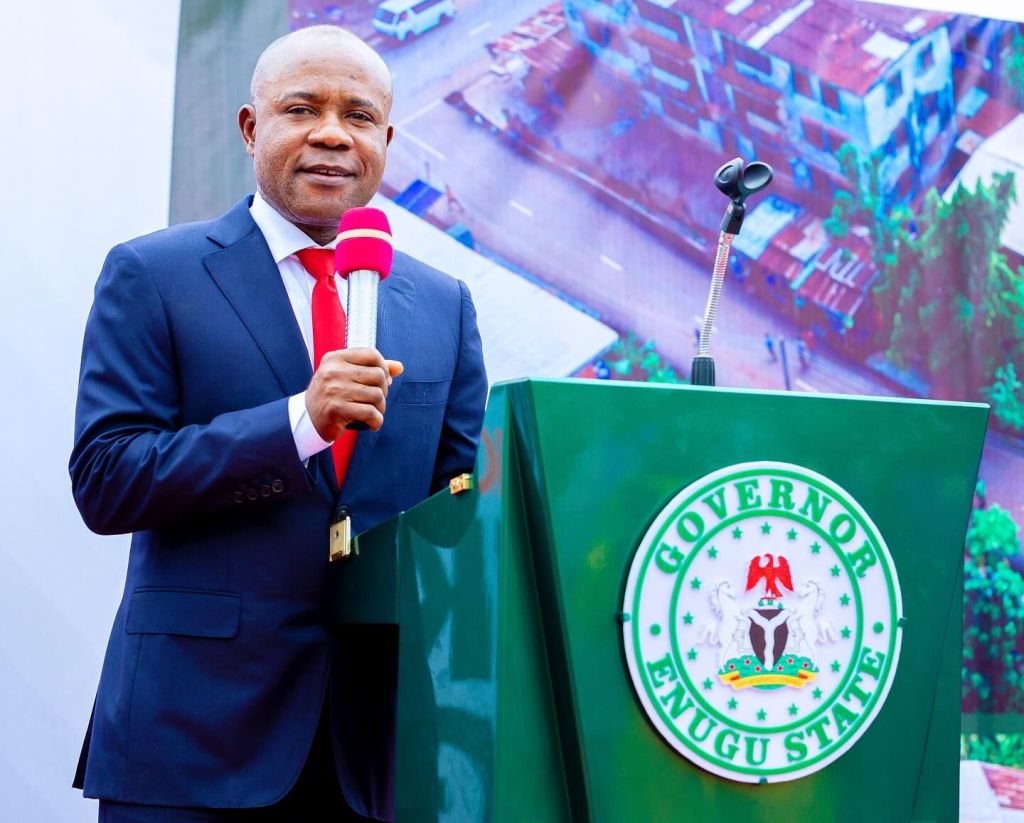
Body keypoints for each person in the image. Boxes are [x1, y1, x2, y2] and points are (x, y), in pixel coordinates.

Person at [69, 25, 487, 822]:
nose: (333, 132)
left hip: (375, 756)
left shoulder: (443, 306)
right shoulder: (154, 274)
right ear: (252, 128)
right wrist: (299, 421)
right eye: (303, 108)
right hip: (192, 743)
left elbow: (456, 517)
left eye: (358, 116)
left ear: (386, 141)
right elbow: (107, 478)